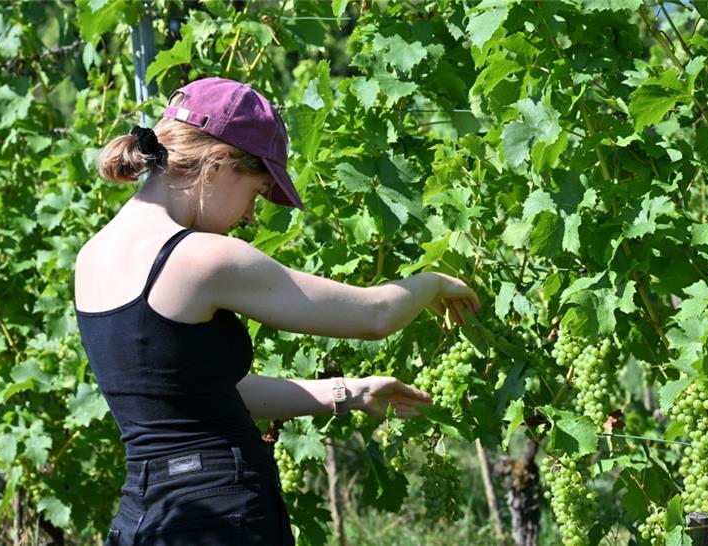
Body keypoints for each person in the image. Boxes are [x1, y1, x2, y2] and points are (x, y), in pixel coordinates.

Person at [73, 77, 481, 546]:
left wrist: (347, 392)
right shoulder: (202, 257)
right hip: (222, 519)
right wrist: (433, 282)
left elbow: (198, 398)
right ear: (220, 165)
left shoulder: (91, 257)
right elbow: (374, 316)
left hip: (145, 520)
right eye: (256, 192)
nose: (250, 216)